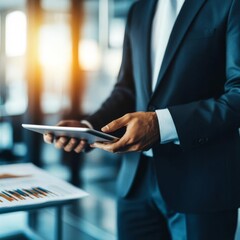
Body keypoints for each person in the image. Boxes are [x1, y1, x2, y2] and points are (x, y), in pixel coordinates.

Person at [44, 0, 240, 239]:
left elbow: (237, 93)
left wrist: (161, 125)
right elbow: (127, 90)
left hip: (200, 185)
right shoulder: (139, 9)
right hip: (134, 184)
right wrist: (89, 127)